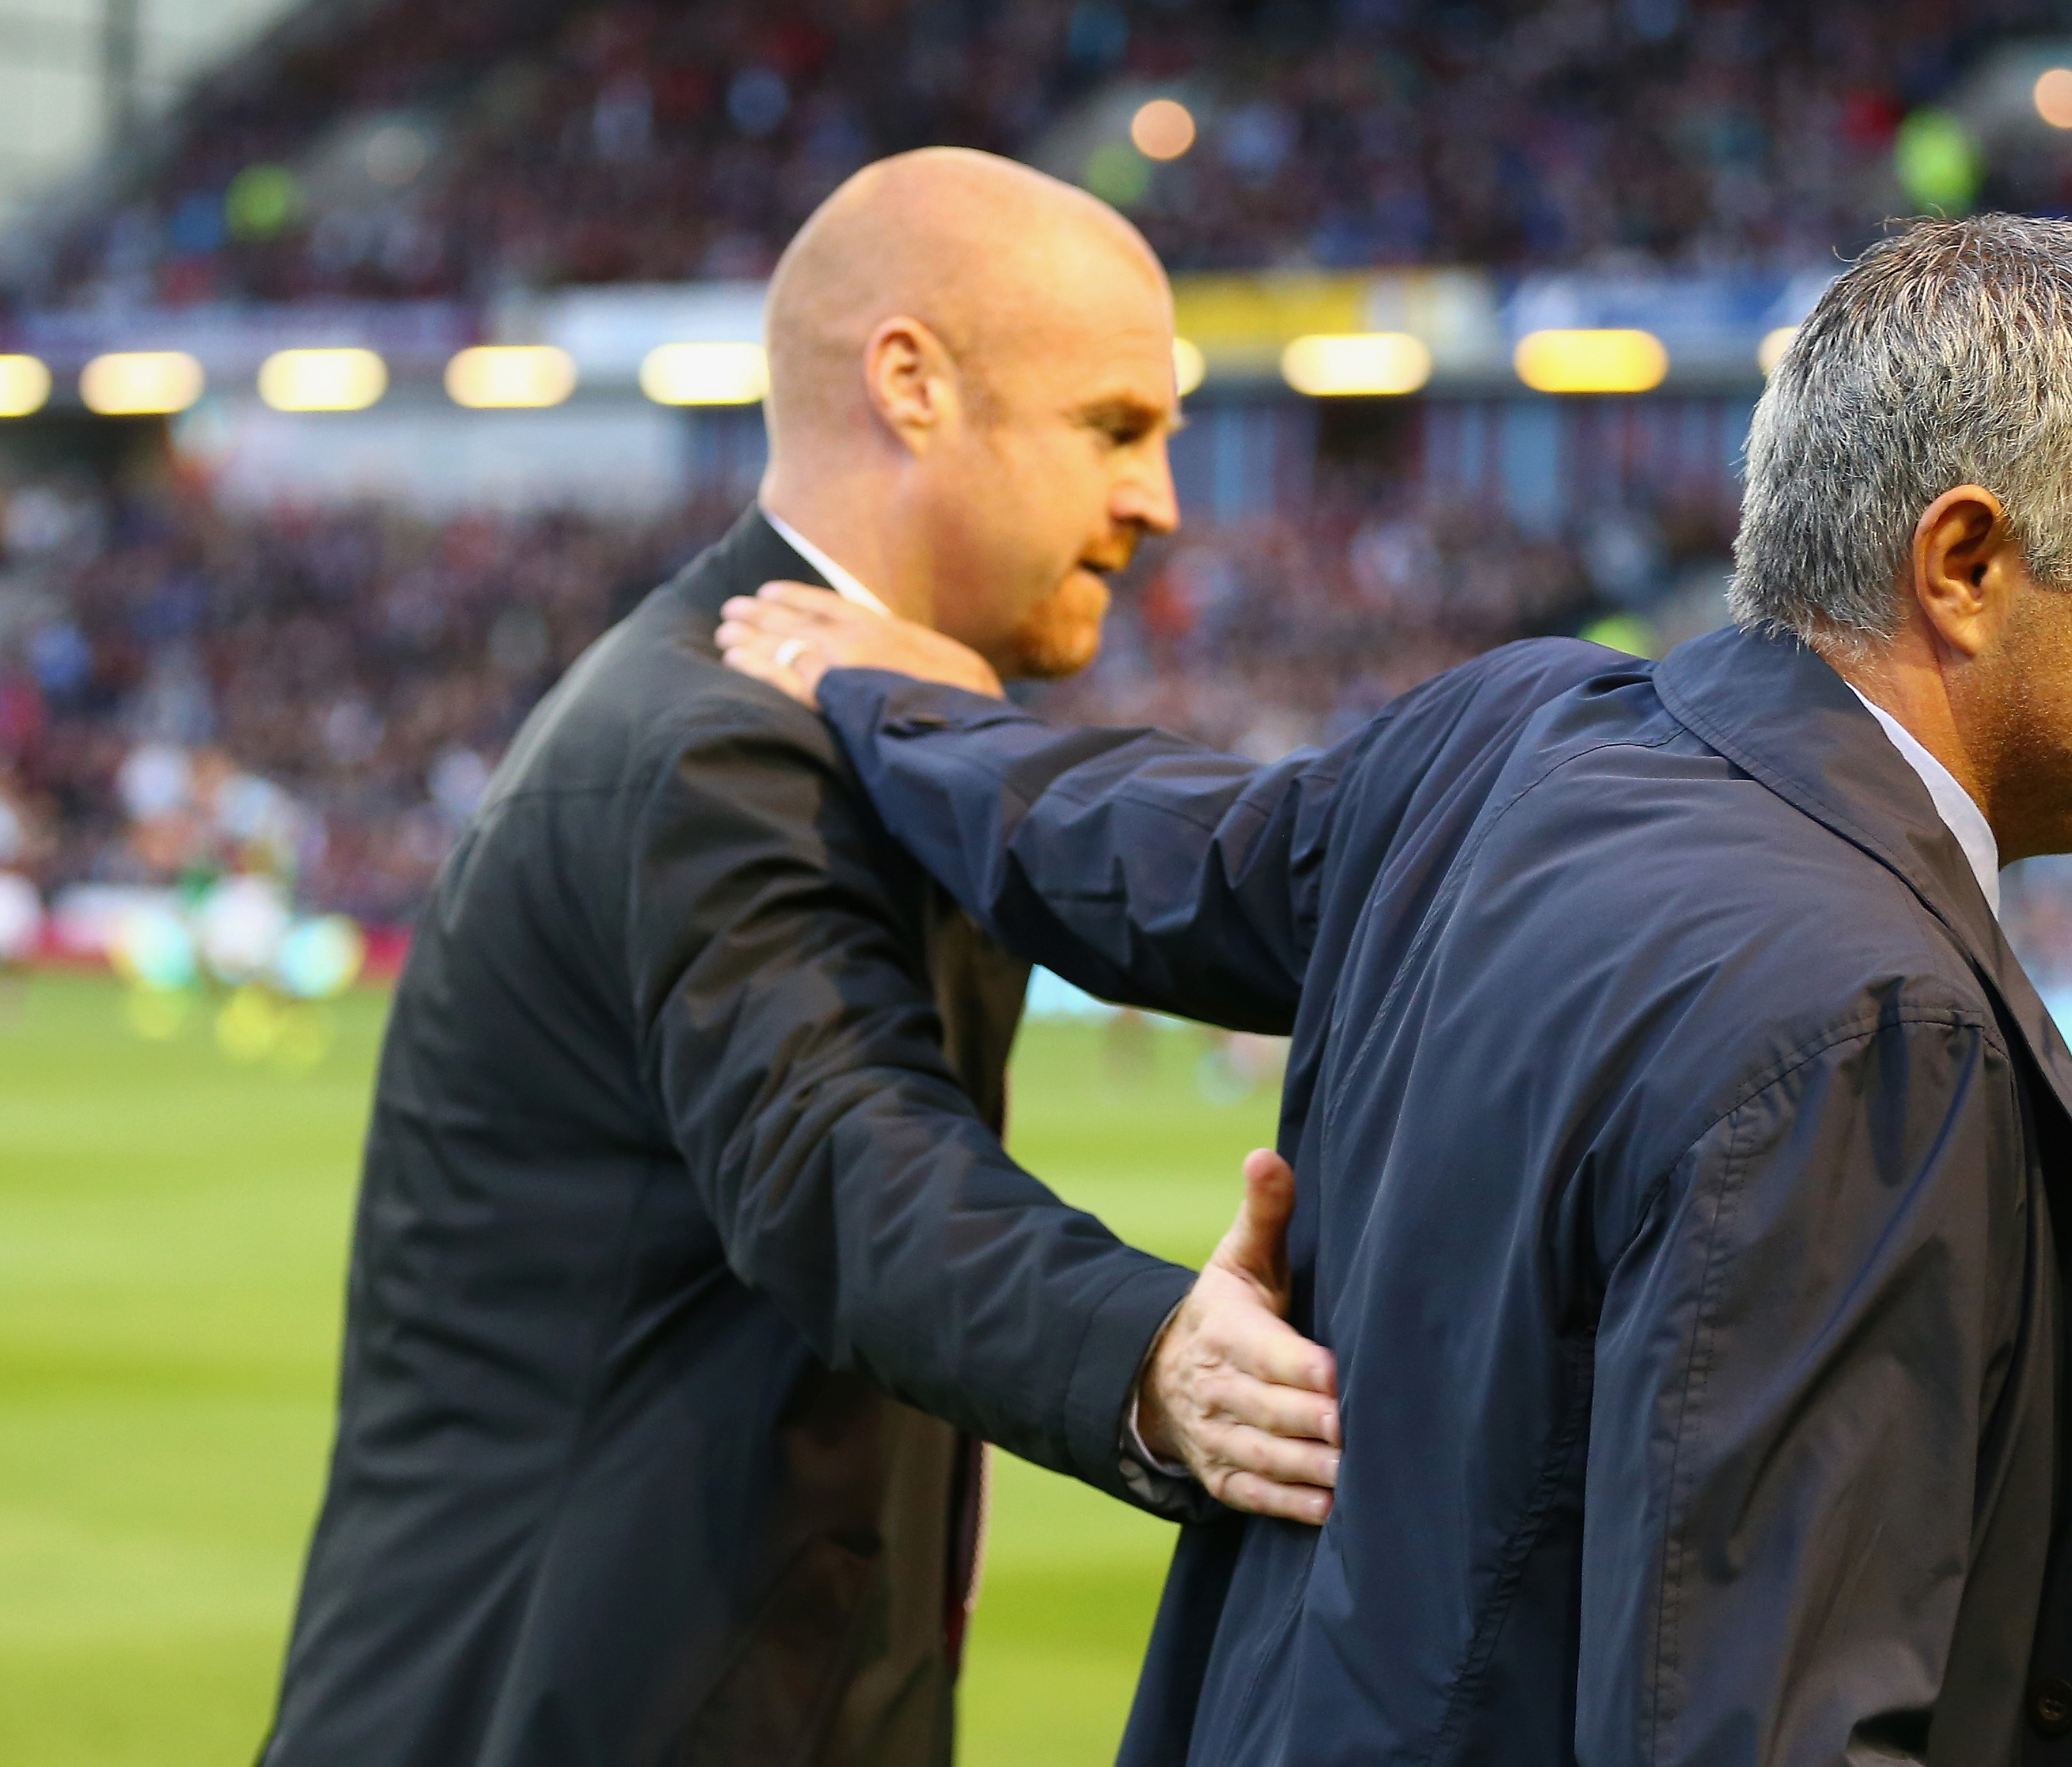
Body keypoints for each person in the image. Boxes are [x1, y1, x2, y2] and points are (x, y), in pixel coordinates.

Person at [718, 214, 2072, 1764]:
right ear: (1959, 561)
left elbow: (1142, 861)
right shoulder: (1873, 1022)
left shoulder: (1509, 733)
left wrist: (889, 702)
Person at [261, 149, 1340, 1767]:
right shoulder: (709, 748)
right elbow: (844, 1161)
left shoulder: (849, 729)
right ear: (909, 384)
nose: (1160, 501)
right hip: (571, 1707)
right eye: (1114, 428)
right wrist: (1150, 1356)